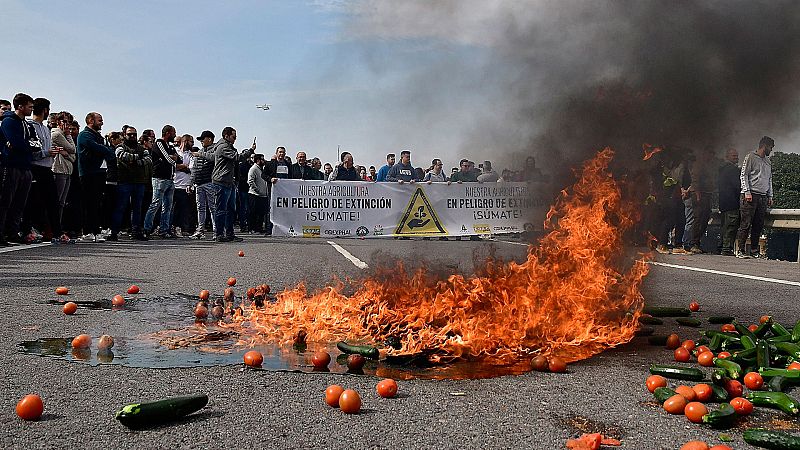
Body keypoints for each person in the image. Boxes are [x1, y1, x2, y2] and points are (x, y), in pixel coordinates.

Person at [195, 126, 254, 242]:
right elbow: (237, 157)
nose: (235, 139)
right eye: (233, 137)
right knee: (221, 209)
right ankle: (219, 234)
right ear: (226, 136)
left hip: (229, 182)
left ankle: (229, 234)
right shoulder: (223, 147)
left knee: (231, 209)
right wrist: (250, 150)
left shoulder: (226, 146)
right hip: (221, 182)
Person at [0, 93, 38, 245]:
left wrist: (26, 144)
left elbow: (37, 144)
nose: (32, 109)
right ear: (20, 106)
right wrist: (26, 145)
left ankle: (12, 233)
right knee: (5, 201)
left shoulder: (28, 125)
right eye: (29, 106)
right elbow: (16, 142)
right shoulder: (8, 122)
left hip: (26, 167)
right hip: (11, 166)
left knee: (19, 203)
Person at [26, 97, 64, 242]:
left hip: (48, 168)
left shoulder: (46, 129)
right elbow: (31, 150)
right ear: (45, 110)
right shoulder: (30, 126)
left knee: (53, 201)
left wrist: (52, 151)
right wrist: (46, 153)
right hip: (35, 167)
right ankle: (31, 229)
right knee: (34, 201)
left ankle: (56, 232)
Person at [76, 112, 115, 242]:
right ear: (91, 121)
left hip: (100, 173)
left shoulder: (99, 137)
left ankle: (96, 231)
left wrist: (103, 149)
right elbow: (97, 148)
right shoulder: (84, 135)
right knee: (89, 203)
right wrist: (104, 150)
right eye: (99, 120)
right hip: (88, 173)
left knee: (98, 203)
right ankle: (88, 231)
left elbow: (110, 152)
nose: (102, 123)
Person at [736, 136, 774, 259]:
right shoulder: (750, 157)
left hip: (762, 196)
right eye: (770, 147)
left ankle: (754, 250)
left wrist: (770, 195)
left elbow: (769, 179)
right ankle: (740, 250)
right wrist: (747, 191)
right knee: (746, 223)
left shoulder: (768, 161)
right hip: (750, 194)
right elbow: (744, 175)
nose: (771, 150)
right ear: (765, 146)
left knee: (758, 224)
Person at [110, 127, 151, 241]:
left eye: (134, 134)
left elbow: (148, 160)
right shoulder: (120, 147)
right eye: (129, 134)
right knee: (120, 207)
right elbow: (122, 155)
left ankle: (136, 232)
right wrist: (138, 157)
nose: (132, 136)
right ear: (125, 135)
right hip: (124, 181)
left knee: (137, 209)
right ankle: (114, 232)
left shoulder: (141, 148)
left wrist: (134, 161)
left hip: (139, 182)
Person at [144, 125, 182, 239]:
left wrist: (174, 158)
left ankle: (164, 230)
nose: (175, 135)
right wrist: (173, 160)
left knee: (168, 207)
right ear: (167, 133)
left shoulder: (170, 146)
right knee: (155, 204)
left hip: (170, 179)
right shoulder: (159, 143)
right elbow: (168, 159)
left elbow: (179, 158)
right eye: (173, 133)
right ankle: (146, 229)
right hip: (159, 178)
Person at [50, 111, 76, 238]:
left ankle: (58, 228)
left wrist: (67, 155)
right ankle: (53, 229)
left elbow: (73, 155)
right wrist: (68, 135)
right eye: (64, 121)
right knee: (56, 201)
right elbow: (72, 148)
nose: (67, 125)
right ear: (58, 121)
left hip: (67, 170)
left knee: (62, 202)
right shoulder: (56, 134)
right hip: (58, 170)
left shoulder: (65, 135)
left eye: (69, 122)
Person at [687, 146, 715, 254]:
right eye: (710, 153)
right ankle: (693, 243)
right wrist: (697, 192)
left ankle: (697, 242)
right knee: (698, 218)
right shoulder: (698, 164)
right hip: (700, 194)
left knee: (704, 219)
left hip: (706, 194)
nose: (711, 156)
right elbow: (695, 179)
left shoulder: (709, 165)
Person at [190, 130, 216, 239]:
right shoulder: (200, 151)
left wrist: (200, 154)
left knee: (213, 208)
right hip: (199, 183)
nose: (201, 141)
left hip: (210, 182)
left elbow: (214, 158)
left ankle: (217, 231)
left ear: (209, 139)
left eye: (202, 139)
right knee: (200, 207)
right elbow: (194, 169)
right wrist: (191, 183)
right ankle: (200, 230)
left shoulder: (215, 149)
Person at [262, 147, 291, 235]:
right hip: (273, 191)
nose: (282, 154)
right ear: (276, 153)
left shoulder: (288, 165)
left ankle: (284, 229)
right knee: (271, 209)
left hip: (285, 191)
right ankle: (269, 229)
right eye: (280, 152)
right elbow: (263, 175)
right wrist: (270, 179)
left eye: (283, 152)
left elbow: (291, 177)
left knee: (284, 209)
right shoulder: (270, 164)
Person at [718, 148, 741, 256]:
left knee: (724, 226)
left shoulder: (722, 169)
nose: (736, 158)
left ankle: (721, 246)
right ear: (727, 157)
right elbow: (737, 186)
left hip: (723, 202)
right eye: (734, 156)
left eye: (736, 156)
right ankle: (726, 248)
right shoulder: (733, 170)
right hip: (732, 202)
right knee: (731, 226)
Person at [173, 134, 196, 236]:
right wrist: (183, 166)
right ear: (185, 141)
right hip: (174, 185)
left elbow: (192, 168)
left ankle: (184, 229)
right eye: (191, 141)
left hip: (186, 186)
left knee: (185, 210)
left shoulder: (191, 154)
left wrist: (181, 167)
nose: (192, 144)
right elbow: (172, 166)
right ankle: (172, 227)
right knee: (173, 210)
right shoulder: (175, 152)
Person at [247, 154, 268, 233]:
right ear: (258, 160)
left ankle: (259, 228)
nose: (264, 161)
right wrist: (257, 190)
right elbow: (250, 181)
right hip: (255, 195)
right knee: (253, 213)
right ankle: (251, 228)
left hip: (262, 195)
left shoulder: (261, 169)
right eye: (262, 159)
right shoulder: (253, 169)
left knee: (261, 213)